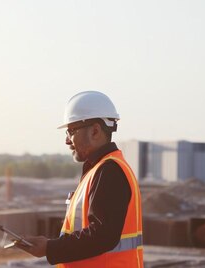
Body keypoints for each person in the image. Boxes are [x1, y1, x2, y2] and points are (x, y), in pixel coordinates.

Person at [17, 91, 144, 267]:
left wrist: (50, 248)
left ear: (95, 131)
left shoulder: (109, 171)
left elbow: (102, 236)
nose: (67, 141)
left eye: (71, 131)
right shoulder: (99, 170)